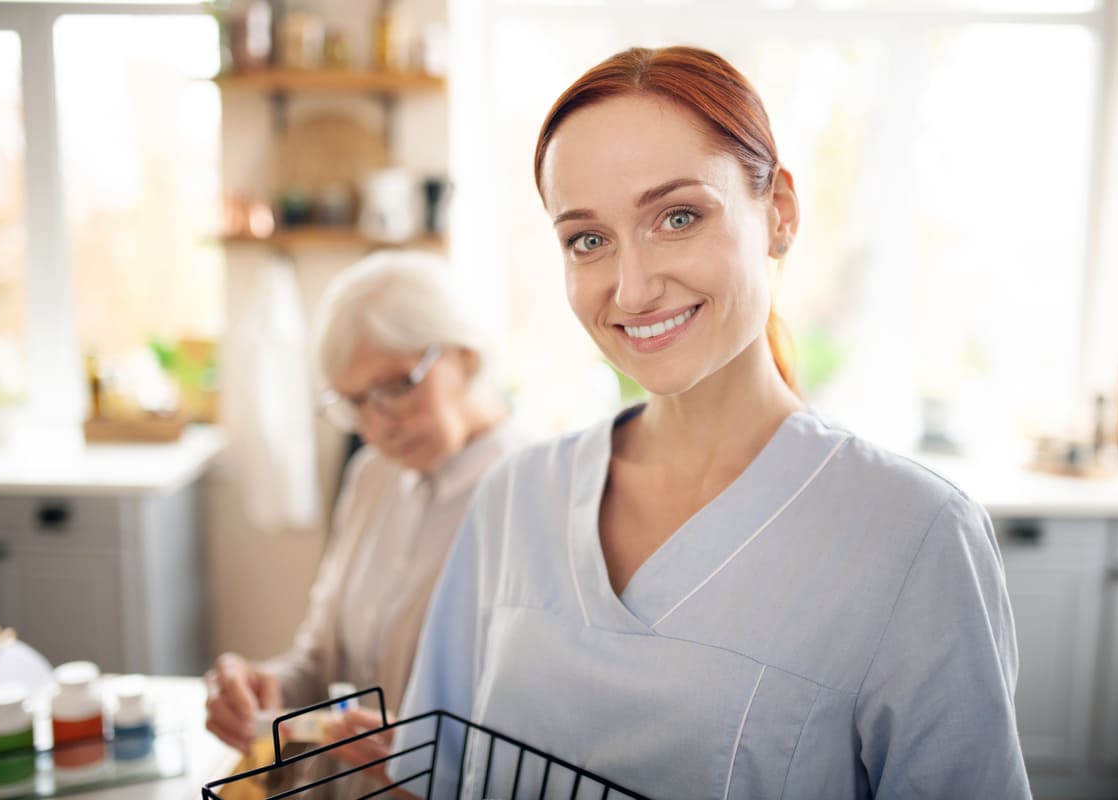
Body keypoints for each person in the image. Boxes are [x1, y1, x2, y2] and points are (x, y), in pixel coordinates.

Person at [390, 47, 1031, 799]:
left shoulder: (915, 536)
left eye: (678, 217)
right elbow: (425, 776)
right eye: (587, 240)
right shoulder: (516, 497)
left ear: (780, 213)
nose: (631, 289)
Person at [204, 250, 525, 793]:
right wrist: (266, 690)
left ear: (467, 354)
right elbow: (324, 660)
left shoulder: (533, 494)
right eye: (355, 402)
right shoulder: (372, 476)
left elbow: (541, 735)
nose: (377, 426)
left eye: (397, 386)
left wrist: (429, 756)